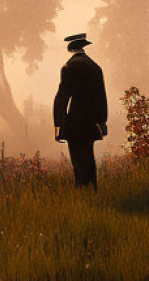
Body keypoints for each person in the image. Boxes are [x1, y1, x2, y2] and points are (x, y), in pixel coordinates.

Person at [53, 32, 107, 189]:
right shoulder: (96, 67)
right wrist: (101, 123)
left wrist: (59, 125)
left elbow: (62, 98)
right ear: (83, 46)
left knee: (77, 159)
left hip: (75, 122)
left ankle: (82, 190)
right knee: (89, 157)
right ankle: (92, 189)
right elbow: (101, 98)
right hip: (92, 122)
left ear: (70, 48)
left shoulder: (69, 67)